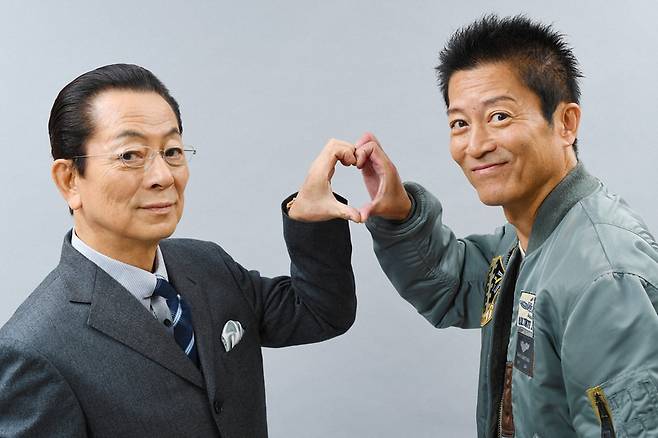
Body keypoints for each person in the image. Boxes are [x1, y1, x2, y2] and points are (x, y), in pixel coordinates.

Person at [0, 63, 361, 437]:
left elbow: (321, 312)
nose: (163, 176)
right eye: (130, 155)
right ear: (69, 180)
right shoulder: (33, 350)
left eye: (172, 151)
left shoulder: (208, 265)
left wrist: (311, 216)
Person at [354, 15, 658, 438]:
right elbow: (455, 286)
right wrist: (399, 214)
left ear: (566, 123)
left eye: (499, 116)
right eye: (460, 123)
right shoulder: (526, 242)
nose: (476, 145)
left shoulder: (603, 277)